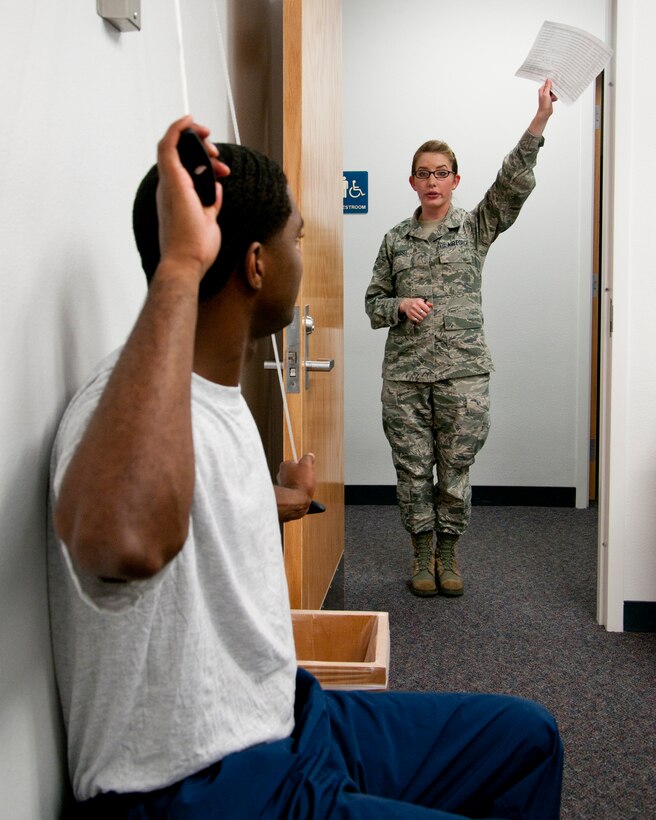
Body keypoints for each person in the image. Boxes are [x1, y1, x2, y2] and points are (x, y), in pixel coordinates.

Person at [49, 115, 563, 818]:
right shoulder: (117, 410)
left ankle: (444, 557)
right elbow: (124, 539)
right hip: (205, 780)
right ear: (257, 265)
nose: (303, 252)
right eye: (296, 239)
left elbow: (189, 511)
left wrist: (272, 500)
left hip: (289, 719)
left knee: (528, 739)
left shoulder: (217, 400)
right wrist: (179, 268)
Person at [365, 81, 557, 599]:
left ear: (455, 180)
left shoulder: (475, 228)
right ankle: (420, 553)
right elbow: (372, 304)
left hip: (463, 374)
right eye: (424, 173)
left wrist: (538, 120)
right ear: (412, 181)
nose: (433, 181)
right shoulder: (393, 240)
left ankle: (448, 552)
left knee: (455, 468)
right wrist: (397, 305)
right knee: (410, 468)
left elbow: (511, 184)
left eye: (441, 173)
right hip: (405, 376)